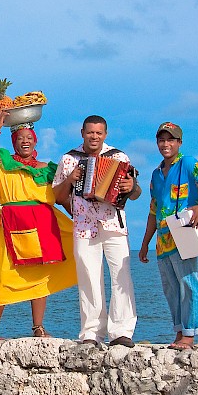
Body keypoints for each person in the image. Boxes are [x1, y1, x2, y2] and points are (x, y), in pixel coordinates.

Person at [0, 110, 78, 340]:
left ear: (35, 141)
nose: (25, 141)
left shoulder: (48, 169)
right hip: (11, 223)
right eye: (20, 138)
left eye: (29, 137)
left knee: (41, 276)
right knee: (2, 273)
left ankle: (38, 327)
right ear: (14, 142)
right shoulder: (2, 163)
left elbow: (62, 198)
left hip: (44, 223)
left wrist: (79, 222)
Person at [52, 115, 141, 348]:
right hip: (84, 225)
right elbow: (57, 196)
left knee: (121, 276)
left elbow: (135, 192)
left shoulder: (119, 157)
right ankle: (91, 332)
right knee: (88, 277)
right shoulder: (69, 159)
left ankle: (122, 331)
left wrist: (131, 187)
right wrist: (70, 180)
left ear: (105, 134)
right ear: (82, 133)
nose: (94, 137)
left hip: (113, 223)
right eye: (90, 132)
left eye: (99, 133)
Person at [138, 122, 198, 350]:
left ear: (179, 142)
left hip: (184, 235)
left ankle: (190, 335)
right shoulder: (156, 174)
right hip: (162, 241)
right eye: (162, 140)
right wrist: (144, 243)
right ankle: (180, 331)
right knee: (171, 288)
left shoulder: (188, 163)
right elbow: (153, 210)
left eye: (170, 140)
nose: (166, 144)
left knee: (188, 284)